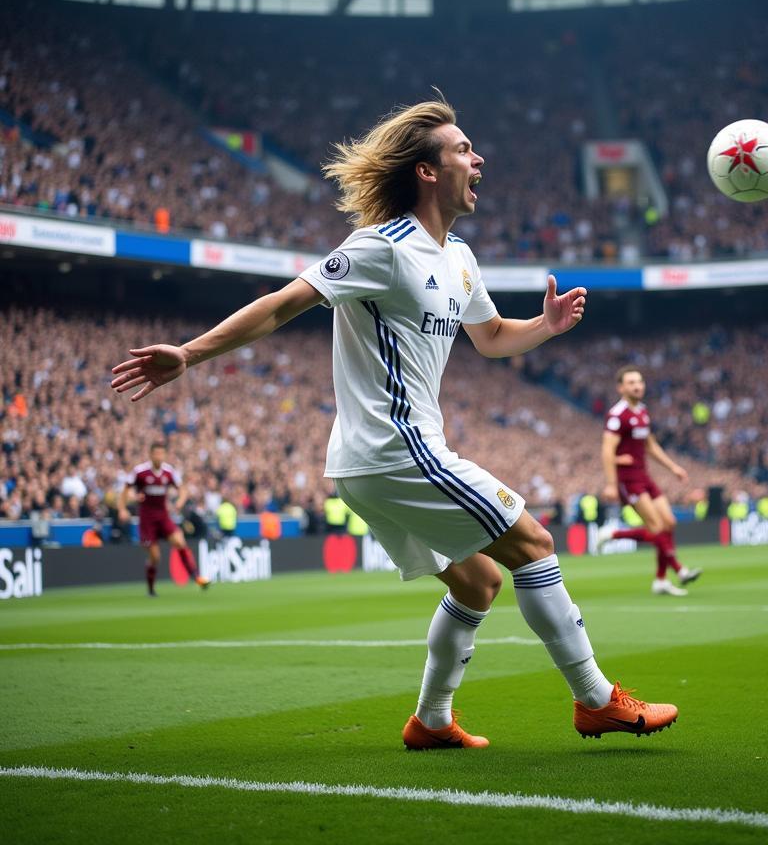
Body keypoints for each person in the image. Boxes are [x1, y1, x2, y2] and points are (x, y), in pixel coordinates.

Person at [111, 99, 677, 749]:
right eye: (463, 149)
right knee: (535, 546)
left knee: (479, 580)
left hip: (375, 461)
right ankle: (596, 699)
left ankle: (431, 721)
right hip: (393, 447)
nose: (478, 157)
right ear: (428, 171)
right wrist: (189, 351)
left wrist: (544, 326)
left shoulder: (459, 257)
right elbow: (281, 305)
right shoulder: (382, 247)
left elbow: (491, 338)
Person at [597, 366, 702, 597]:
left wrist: (673, 466)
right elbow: (607, 449)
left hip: (645, 476)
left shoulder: (642, 411)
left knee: (669, 523)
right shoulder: (618, 415)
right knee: (656, 527)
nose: (637, 386)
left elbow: (650, 445)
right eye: (631, 382)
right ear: (621, 388)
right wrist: (611, 484)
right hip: (628, 479)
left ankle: (658, 578)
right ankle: (679, 570)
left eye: (640, 381)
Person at [118, 441, 210, 595]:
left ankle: (197, 577)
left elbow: (182, 489)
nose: (159, 456)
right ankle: (151, 588)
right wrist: (122, 508)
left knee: (180, 541)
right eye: (156, 453)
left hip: (163, 517)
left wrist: (180, 502)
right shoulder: (140, 472)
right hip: (147, 520)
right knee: (155, 556)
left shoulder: (169, 472)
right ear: (151, 454)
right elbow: (125, 490)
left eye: (162, 453)